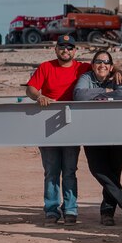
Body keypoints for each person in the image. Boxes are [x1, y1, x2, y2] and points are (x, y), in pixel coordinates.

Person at [25, 34, 91, 226]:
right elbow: (30, 89)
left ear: (75, 51)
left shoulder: (83, 68)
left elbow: (103, 69)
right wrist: (39, 96)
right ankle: (51, 211)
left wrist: (117, 71)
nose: (65, 50)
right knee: (51, 171)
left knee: (69, 170)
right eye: (62, 47)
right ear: (56, 49)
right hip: (48, 128)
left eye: (69, 47)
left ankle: (70, 209)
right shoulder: (46, 67)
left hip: (72, 127)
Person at [74, 51, 122, 226]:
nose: (102, 65)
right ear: (93, 64)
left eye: (106, 62)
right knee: (98, 169)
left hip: (120, 133)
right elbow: (79, 95)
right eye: (98, 61)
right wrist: (106, 92)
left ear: (111, 66)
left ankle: (107, 212)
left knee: (113, 172)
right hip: (93, 132)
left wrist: (95, 95)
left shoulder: (118, 77)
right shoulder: (86, 77)